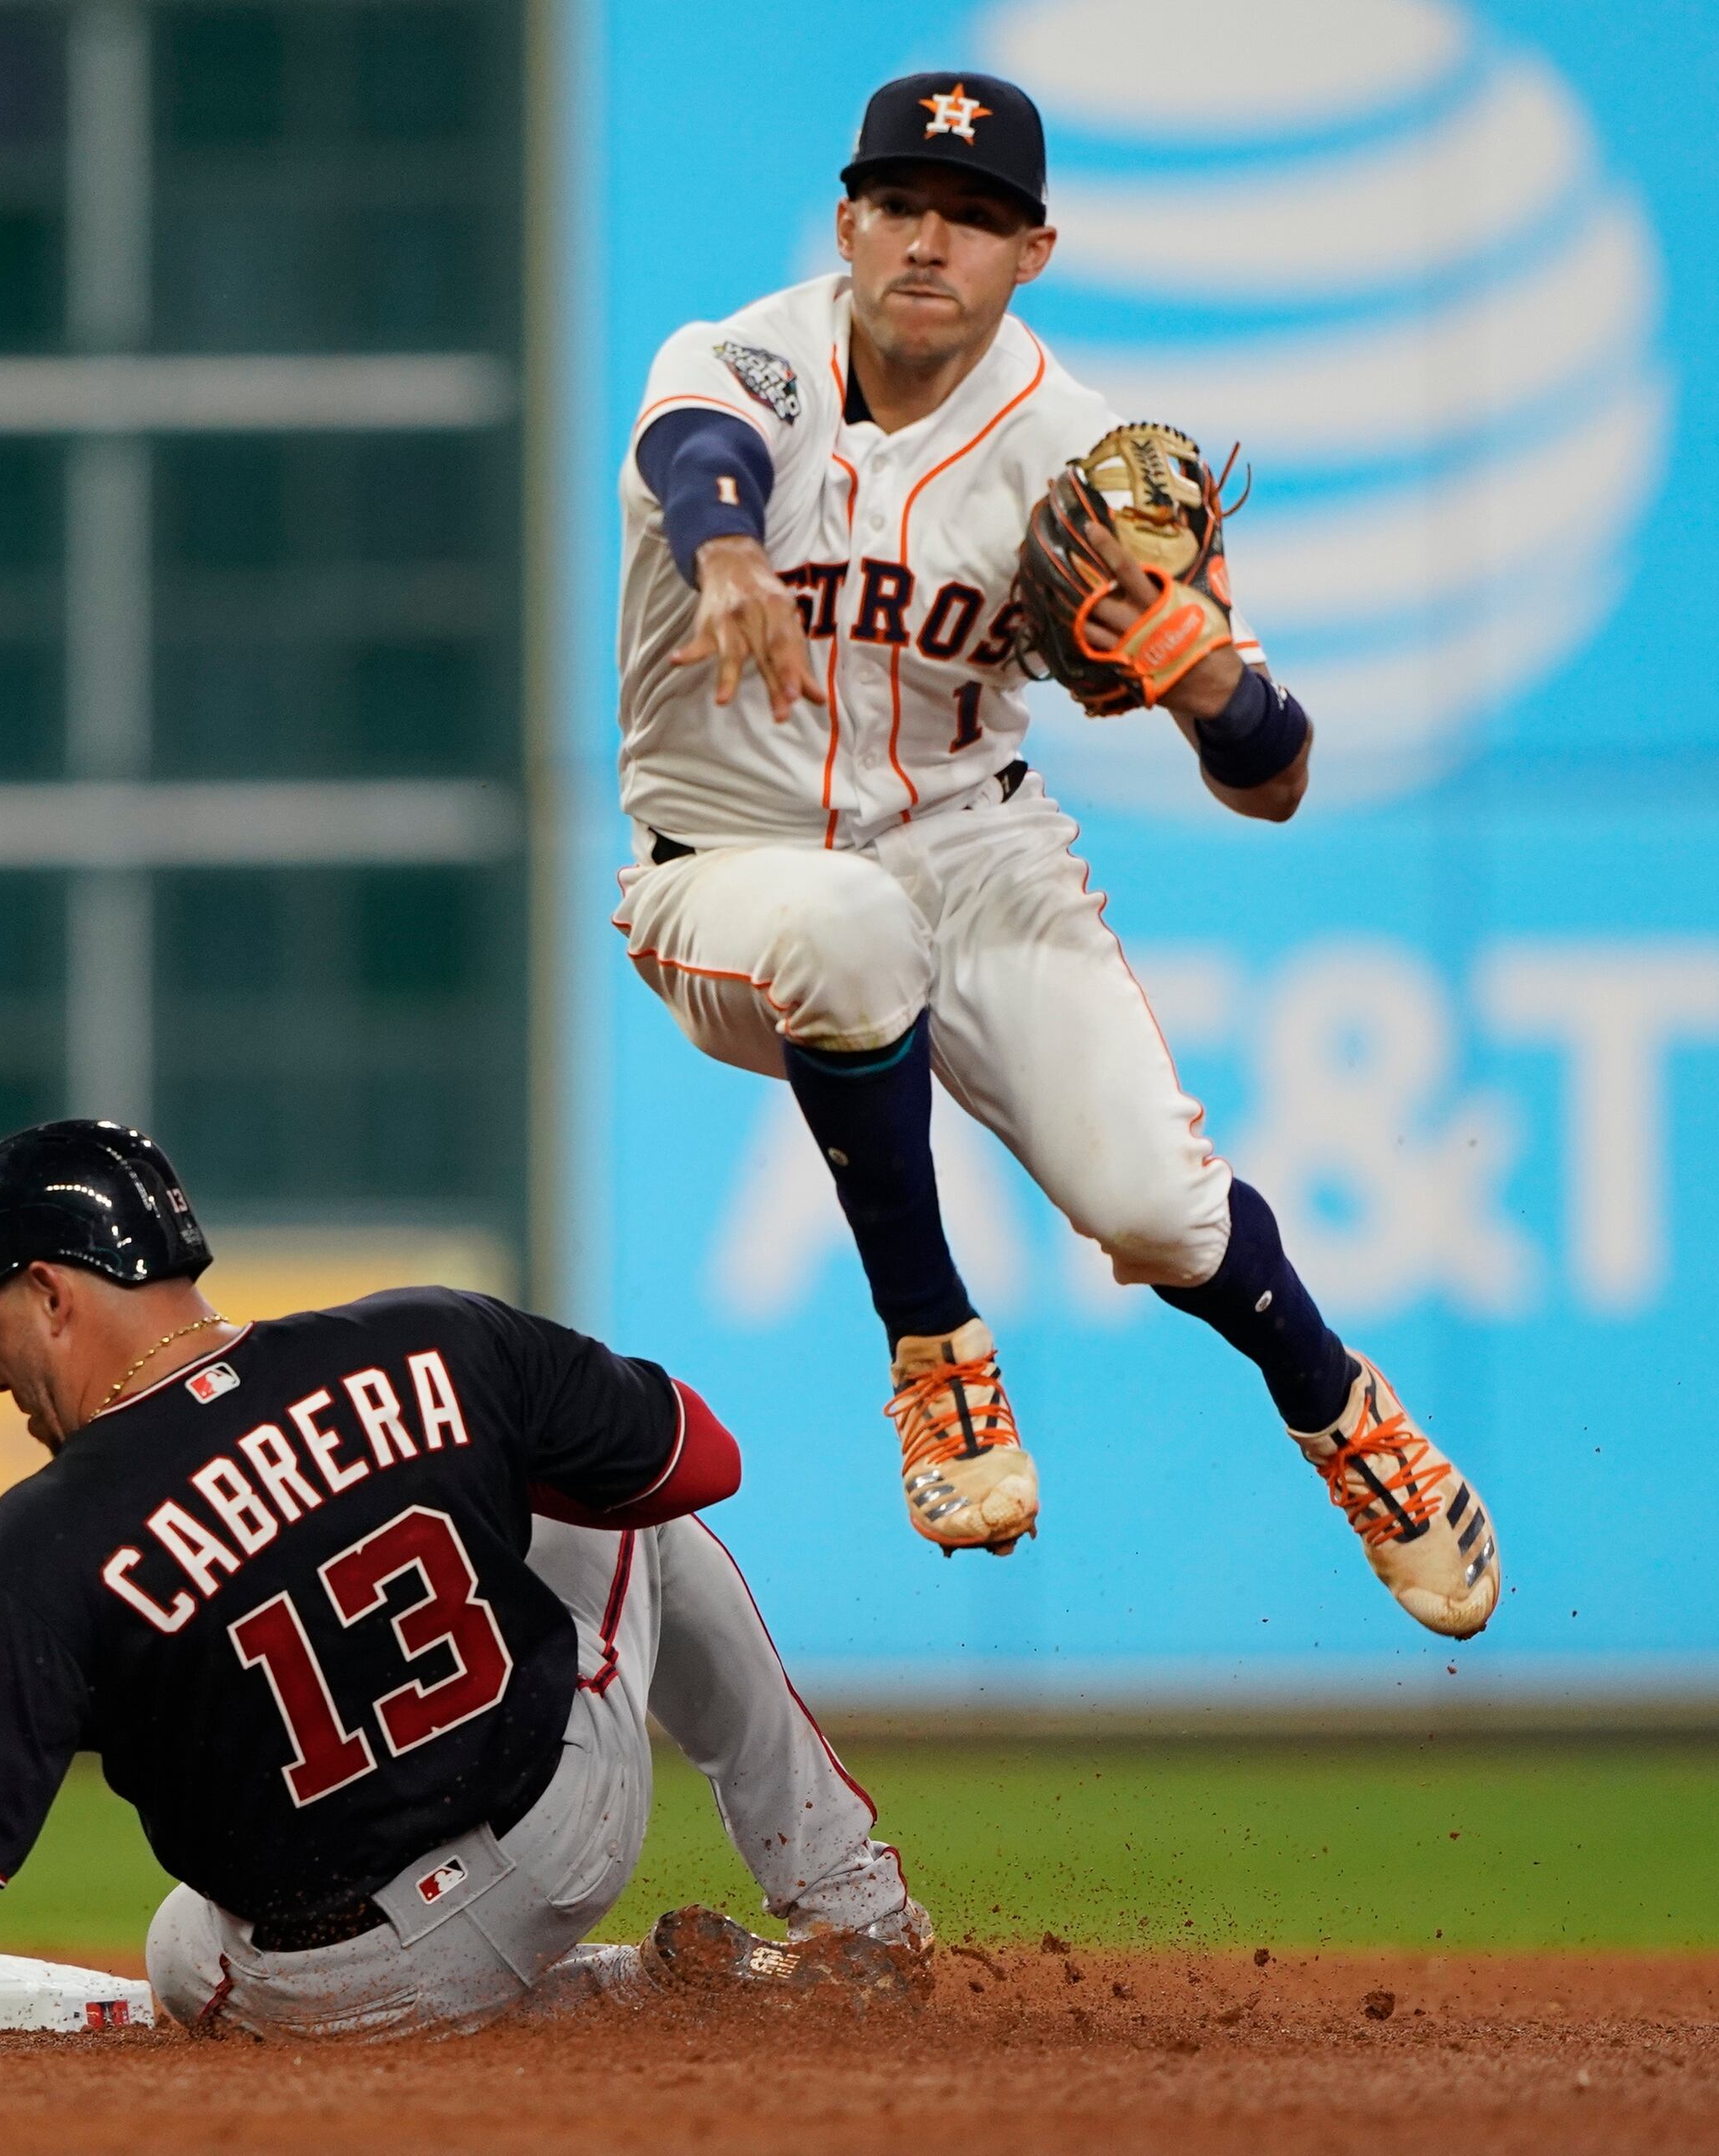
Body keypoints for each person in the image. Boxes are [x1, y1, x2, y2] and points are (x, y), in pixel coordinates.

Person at [0, 1121, 926, 2057]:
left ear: (56, 1293)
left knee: (177, 1946)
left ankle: (623, 1987)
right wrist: (435, 1479)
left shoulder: (42, 1538)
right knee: (631, 1517)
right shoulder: (427, 1338)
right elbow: (702, 1459)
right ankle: (854, 1921)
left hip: (321, 1999)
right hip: (565, 1830)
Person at [610, 71, 1500, 1634]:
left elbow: (1274, 778)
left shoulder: (1077, 451)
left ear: (1037, 250)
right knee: (840, 925)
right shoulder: (742, 356)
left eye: (976, 218)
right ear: (847, 222)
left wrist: (1208, 679)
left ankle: (1345, 1412)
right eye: (900, 206)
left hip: (972, 845)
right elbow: (702, 452)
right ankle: (935, 1352)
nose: (930, 242)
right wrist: (733, 552)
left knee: (1157, 1206)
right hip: (723, 866)